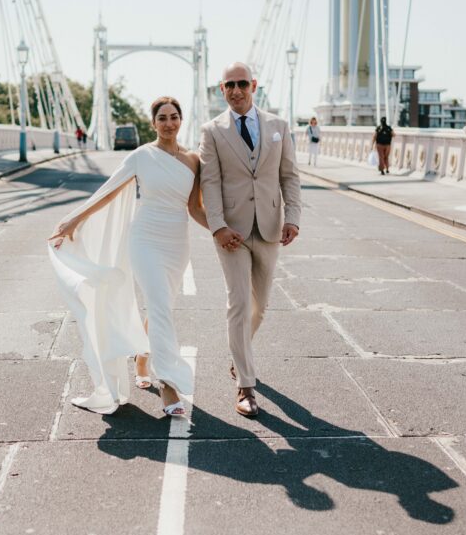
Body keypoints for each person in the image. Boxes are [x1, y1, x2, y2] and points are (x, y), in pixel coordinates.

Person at [48, 97, 207, 417]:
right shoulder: (141, 156)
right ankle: (169, 385)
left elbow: (194, 207)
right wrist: (73, 220)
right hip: (145, 239)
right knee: (161, 305)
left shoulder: (193, 161)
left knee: (162, 306)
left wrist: (221, 231)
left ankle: (143, 359)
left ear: (181, 120)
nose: (169, 123)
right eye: (162, 118)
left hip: (177, 243)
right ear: (153, 124)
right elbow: (108, 190)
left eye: (174, 117)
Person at [199, 62, 302, 417]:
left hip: (271, 226)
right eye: (230, 85)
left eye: (242, 83)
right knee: (239, 303)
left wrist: (294, 218)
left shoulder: (278, 126)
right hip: (232, 232)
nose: (236, 90)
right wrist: (217, 226)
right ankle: (246, 385)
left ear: (254, 85)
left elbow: (289, 176)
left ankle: (237, 353)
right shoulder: (211, 131)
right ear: (221, 89)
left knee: (261, 306)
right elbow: (209, 183)